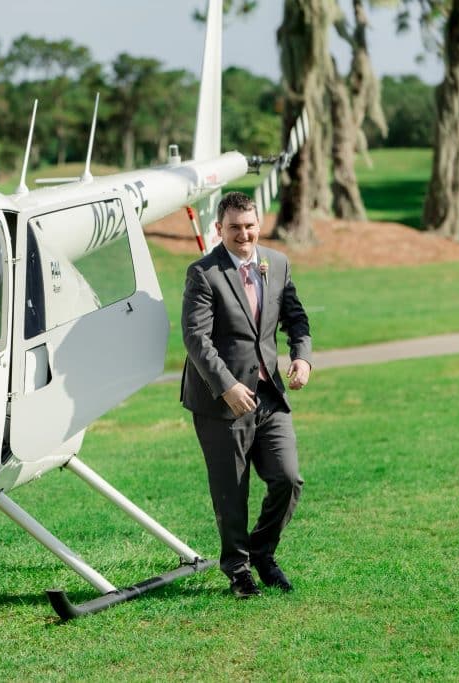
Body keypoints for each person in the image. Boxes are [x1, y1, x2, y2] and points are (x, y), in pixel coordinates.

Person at [180, 191, 312, 599]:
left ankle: (262, 551)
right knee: (231, 491)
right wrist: (227, 387)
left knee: (288, 479)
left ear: (259, 224)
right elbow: (196, 339)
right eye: (234, 227)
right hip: (221, 401)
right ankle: (238, 571)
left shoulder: (278, 263)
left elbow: (296, 317)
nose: (244, 234)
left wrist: (302, 356)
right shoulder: (204, 273)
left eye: (250, 225)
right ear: (219, 229)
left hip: (268, 394)